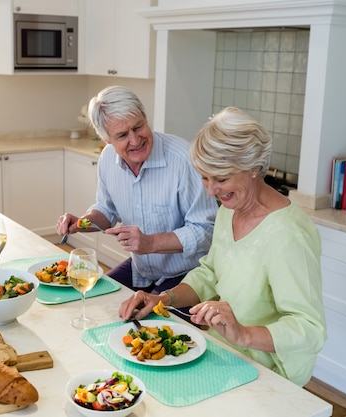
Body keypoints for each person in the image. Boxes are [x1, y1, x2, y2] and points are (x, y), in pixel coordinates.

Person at [118, 106, 327, 386]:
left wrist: (243, 334)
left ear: (254, 167)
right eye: (205, 177)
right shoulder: (229, 210)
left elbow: (310, 329)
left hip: (270, 374)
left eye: (222, 178)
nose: (211, 191)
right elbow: (210, 273)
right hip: (224, 354)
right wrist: (162, 300)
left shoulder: (290, 234)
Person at [56, 86, 218, 294]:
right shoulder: (107, 158)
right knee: (96, 299)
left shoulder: (184, 159)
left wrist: (150, 243)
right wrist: (80, 223)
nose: (135, 140)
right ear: (107, 139)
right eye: (122, 135)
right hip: (141, 270)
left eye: (139, 126)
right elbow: (106, 211)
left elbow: (207, 231)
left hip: (188, 276)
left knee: (146, 321)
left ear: (145, 118)